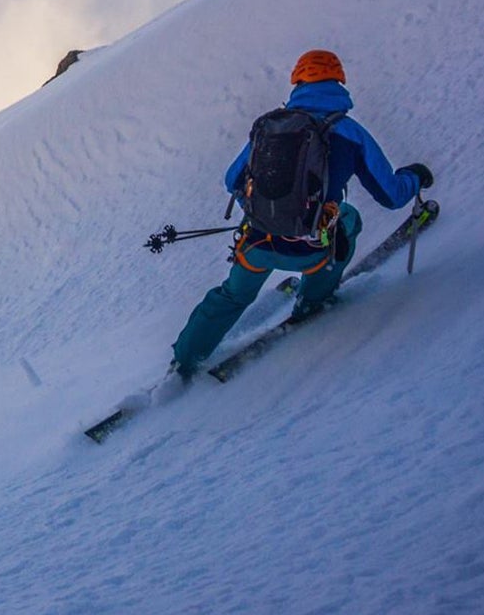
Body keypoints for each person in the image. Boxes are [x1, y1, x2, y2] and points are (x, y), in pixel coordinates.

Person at [169, 49, 431, 380]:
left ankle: (184, 361)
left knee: (233, 296)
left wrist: (267, 210)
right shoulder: (350, 133)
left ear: (297, 82)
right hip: (313, 249)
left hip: (257, 245)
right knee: (349, 219)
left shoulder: (271, 126)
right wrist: (416, 176)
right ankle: (313, 300)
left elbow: (230, 180)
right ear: (339, 82)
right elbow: (391, 195)